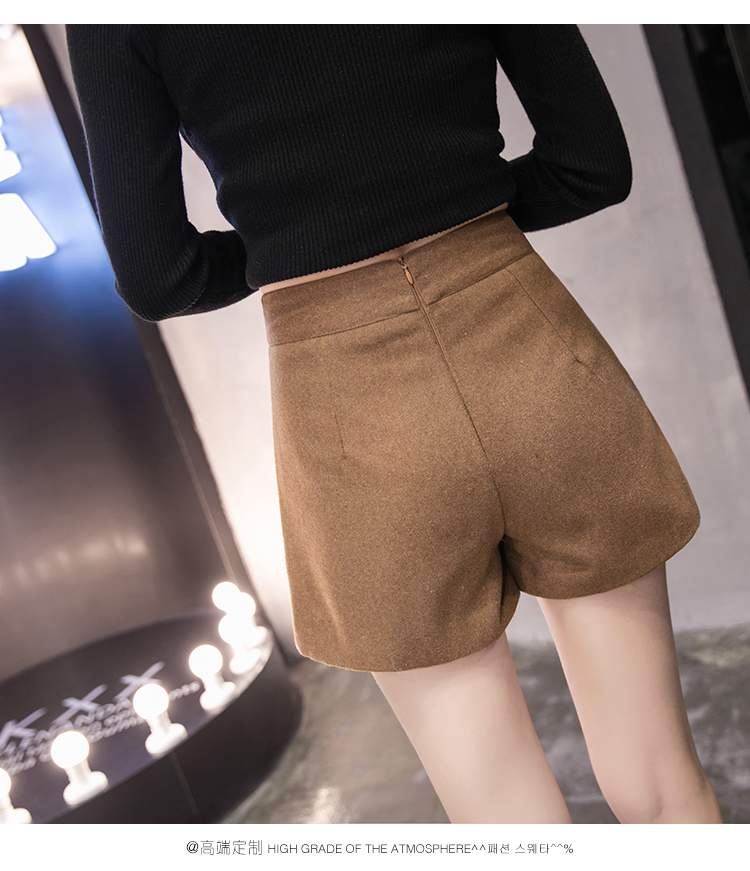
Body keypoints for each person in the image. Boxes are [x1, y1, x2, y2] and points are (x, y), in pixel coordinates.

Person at [65, 24, 723, 824]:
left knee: (506, 823)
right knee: (663, 783)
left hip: (348, 409)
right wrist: (462, 207)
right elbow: (593, 163)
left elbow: (156, 274)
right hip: (533, 350)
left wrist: (285, 250)